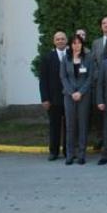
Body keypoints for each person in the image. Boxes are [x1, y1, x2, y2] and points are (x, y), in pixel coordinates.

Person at [60, 34, 94, 165]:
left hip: (83, 96)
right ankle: (70, 154)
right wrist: (71, 92)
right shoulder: (65, 59)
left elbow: (90, 78)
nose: (76, 45)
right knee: (70, 126)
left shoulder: (88, 58)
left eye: (79, 43)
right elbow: (63, 77)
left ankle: (81, 154)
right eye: (74, 43)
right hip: (68, 97)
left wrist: (80, 92)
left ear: (82, 44)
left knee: (82, 125)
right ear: (70, 45)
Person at [39, 31, 68, 161]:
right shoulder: (47, 57)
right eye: (58, 39)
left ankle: (68, 151)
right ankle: (54, 152)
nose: (60, 41)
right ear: (54, 41)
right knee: (54, 126)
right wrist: (45, 99)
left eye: (62, 39)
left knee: (69, 126)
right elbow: (43, 80)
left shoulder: (72, 56)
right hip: (53, 99)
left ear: (66, 41)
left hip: (69, 98)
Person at [90, 16, 107, 150]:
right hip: (100, 81)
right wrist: (98, 76)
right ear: (101, 26)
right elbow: (93, 61)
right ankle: (101, 138)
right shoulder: (96, 42)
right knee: (100, 111)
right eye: (104, 23)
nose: (106, 25)